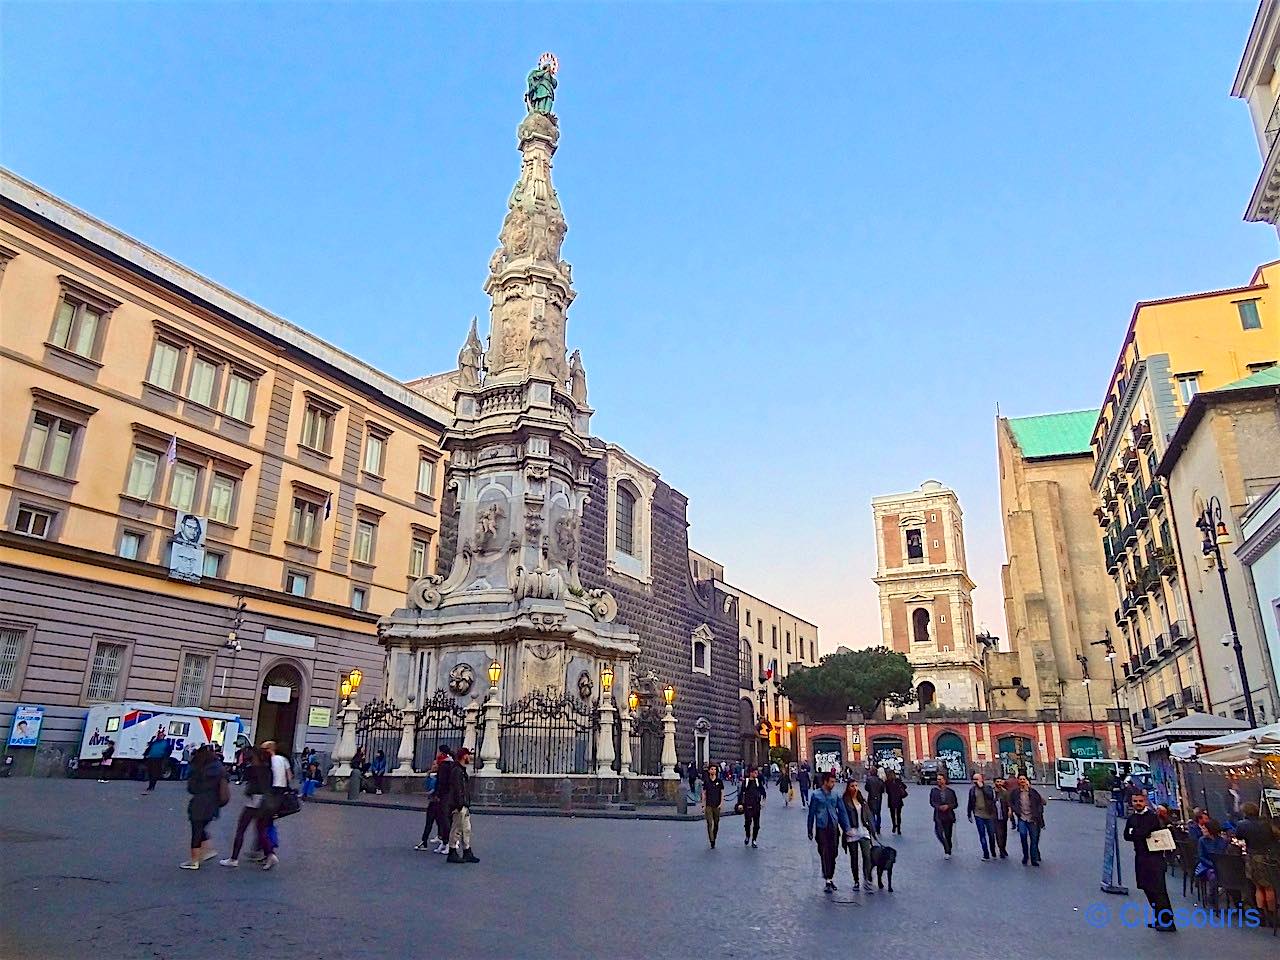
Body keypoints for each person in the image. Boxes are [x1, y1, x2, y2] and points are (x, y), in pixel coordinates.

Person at [1124, 790, 1175, 932]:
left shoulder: (1151, 817)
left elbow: (1142, 833)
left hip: (1154, 858)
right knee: (1147, 888)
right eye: (1135, 801)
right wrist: (1136, 833)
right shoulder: (1132, 818)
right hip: (1140, 857)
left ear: (1145, 801)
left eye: (1140, 801)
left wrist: (1135, 833)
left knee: (1158, 890)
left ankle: (1167, 922)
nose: (1138, 804)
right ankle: (1158, 918)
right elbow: (1126, 836)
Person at [220, 747, 271, 868]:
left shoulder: (252, 769)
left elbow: (247, 781)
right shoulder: (267, 769)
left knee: (241, 829)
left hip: (253, 801)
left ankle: (234, 858)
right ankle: (270, 854)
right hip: (265, 801)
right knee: (261, 830)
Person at [179, 745, 225, 870]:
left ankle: (194, 860)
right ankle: (207, 851)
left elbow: (192, 787)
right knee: (202, 827)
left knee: (196, 829)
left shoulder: (199, 768)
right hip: (213, 801)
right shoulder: (219, 767)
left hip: (200, 801)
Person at [1234, 802, 1279, 920]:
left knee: (1258, 887)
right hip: (1267, 858)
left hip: (1251, 858)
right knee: (1269, 887)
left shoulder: (1242, 825)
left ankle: (1262, 915)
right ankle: (1273, 915)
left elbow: (1238, 837)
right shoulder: (1266, 823)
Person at [807, 770, 851, 892]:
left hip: (833, 826)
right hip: (821, 827)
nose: (833, 784)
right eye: (831, 782)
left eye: (834, 782)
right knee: (824, 852)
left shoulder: (836, 795)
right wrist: (809, 829)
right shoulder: (816, 795)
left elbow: (842, 812)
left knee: (834, 852)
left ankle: (830, 875)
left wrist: (846, 828)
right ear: (825, 782)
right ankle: (828, 879)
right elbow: (811, 813)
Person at [840, 781, 878, 893]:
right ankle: (856, 880)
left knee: (867, 856)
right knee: (854, 858)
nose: (855, 788)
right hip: (852, 832)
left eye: (856, 786)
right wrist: (846, 829)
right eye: (852, 786)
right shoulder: (845, 801)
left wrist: (873, 830)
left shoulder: (862, 800)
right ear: (848, 788)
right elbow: (842, 816)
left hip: (864, 831)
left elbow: (869, 815)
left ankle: (867, 880)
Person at [417, 745, 455, 854]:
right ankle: (443, 841)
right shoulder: (450, 765)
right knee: (440, 821)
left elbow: (441, 783)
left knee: (441, 821)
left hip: (440, 798)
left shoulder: (444, 766)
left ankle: (447, 842)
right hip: (442, 798)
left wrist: (437, 794)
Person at [446, 747, 479, 864]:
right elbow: (457, 789)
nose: (469, 757)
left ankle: (467, 851)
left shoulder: (461, 770)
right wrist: (459, 804)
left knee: (466, 829)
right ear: (464, 756)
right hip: (458, 805)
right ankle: (452, 851)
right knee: (457, 829)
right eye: (468, 755)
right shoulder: (457, 771)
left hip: (464, 804)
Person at [1007, 774, 1045, 867]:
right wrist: (1012, 810)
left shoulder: (1033, 792)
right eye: (1020, 779)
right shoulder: (1015, 792)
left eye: (1024, 779)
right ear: (1018, 781)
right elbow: (1010, 802)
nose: (1022, 781)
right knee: (1023, 837)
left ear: (1027, 781)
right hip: (1022, 818)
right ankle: (1025, 856)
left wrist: (1038, 813)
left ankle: (1034, 859)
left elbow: (1043, 802)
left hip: (1032, 819)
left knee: (1034, 839)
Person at [967, 772, 999, 861]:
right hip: (978, 814)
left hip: (989, 814)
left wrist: (982, 788)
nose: (975, 781)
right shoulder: (972, 790)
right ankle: (986, 854)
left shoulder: (988, 788)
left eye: (977, 779)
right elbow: (970, 802)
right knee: (982, 835)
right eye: (974, 779)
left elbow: (990, 797)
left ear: (982, 779)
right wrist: (969, 814)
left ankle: (993, 851)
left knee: (991, 835)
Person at [929, 772, 959, 858]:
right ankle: (947, 848)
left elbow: (955, 804)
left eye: (940, 779)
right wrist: (938, 807)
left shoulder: (950, 792)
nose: (938, 781)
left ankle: (948, 849)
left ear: (944, 780)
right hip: (938, 815)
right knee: (939, 833)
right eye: (937, 779)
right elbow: (932, 802)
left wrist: (948, 806)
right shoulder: (934, 791)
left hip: (948, 815)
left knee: (948, 834)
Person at [740, 766, 766, 848]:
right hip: (747, 804)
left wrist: (763, 799)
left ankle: (754, 840)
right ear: (751, 773)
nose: (756, 774)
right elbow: (741, 793)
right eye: (755, 772)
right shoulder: (746, 782)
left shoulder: (758, 781)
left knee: (757, 824)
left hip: (756, 805)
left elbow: (763, 791)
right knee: (748, 822)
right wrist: (740, 803)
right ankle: (748, 835)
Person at [701, 763, 724, 849]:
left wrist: (721, 803)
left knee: (716, 823)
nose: (713, 771)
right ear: (709, 770)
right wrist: (703, 804)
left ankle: (714, 836)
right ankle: (712, 840)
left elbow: (722, 792)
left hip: (717, 805)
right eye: (712, 769)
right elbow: (704, 793)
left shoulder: (719, 781)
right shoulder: (706, 781)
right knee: (709, 823)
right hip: (709, 805)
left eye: (714, 769)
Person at [992, 777, 1011, 859]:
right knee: (998, 833)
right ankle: (1001, 849)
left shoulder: (1005, 792)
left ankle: (1003, 848)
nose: (999, 783)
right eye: (997, 782)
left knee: (1004, 833)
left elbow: (1008, 803)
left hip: (1003, 816)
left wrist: (1010, 811)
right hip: (994, 816)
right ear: (994, 782)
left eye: (1000, 782)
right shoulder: (991, 792)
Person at [885, 768, 908, 835]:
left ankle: (894, 825)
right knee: (898, 815)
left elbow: (887, 791)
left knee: (892, 814)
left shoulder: (887, 782)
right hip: (899, 800)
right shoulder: (898, 781)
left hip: (891, 800)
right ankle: (899, 829)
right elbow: (905, 786)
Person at [864, 767, 886, 834]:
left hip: (871, 797)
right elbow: (883, 790)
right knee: (878, 814)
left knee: (872, 814)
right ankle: (878, 828)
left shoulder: (869, 780)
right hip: (879, 798)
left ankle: (873, 828)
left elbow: (866, 788)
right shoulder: (880, 780)